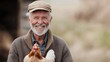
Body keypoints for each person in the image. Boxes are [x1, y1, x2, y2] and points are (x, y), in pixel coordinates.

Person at [7, 1, 73, 62]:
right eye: (36, 18)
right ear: (29, 20)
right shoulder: (17, 45)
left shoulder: (61, 45)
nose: (40, 22)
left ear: (50, 19)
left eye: (44, 18)